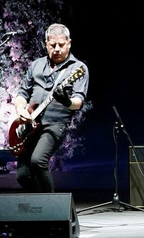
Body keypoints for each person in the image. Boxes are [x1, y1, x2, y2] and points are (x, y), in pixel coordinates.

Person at [11, 23, 89, 193]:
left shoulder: (78, 68)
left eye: (61, 45)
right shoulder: (36, 66)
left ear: (69, 43)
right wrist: (20, 109)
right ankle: (40, 207)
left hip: (55, 125)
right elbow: (22, 94)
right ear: (46, 44)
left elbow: (78, 101)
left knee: (38, 161)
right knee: (22, 175)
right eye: (53, 45)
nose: (57, 49)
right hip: (30, 126)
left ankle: (52, 210)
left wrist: (67, 101)